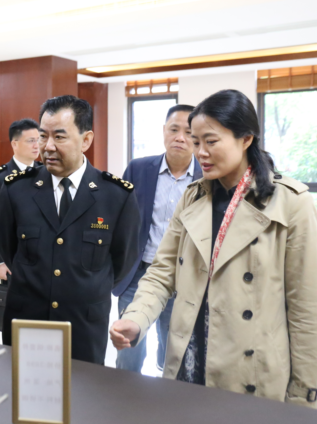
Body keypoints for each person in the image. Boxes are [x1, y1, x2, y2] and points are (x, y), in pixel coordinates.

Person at [110, 89, 317, 408]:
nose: (200, 152)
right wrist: (136, 318)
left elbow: (306, 312)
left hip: (249, 373)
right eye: (196, 141)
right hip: (188, 360)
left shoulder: (291, 203)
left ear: (246, 139)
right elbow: (162, 272)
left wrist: (302, 399)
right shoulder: (194, 197)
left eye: (210, 141)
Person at [0, 95, 140, 364]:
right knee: (23, 388)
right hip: (27, 321)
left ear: (86, 140)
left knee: (83, 390)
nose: (48, 146)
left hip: (84, 326)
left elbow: (122, 262)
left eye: (59, 137)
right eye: (43, 136)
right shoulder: (16, 189)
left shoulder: (115, 196)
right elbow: (8, 248)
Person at [114, 104, 202, 373]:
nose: (180, 138)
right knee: (128, 349)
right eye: (174, 129)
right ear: (164, 131)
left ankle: (165, 394)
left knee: (173, 352)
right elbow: (119, 218)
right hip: (138, 273)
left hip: (184, 277)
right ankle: (125, 395)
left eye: (188, 132)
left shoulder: (207, 175)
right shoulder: (138, 169)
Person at [0, 118, 42, 282]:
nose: (36, 145)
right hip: (15, 256)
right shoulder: (0, 178)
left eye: (39, 140)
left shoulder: (45, 172)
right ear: (15, 144)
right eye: (31, 141)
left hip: (43, 255)